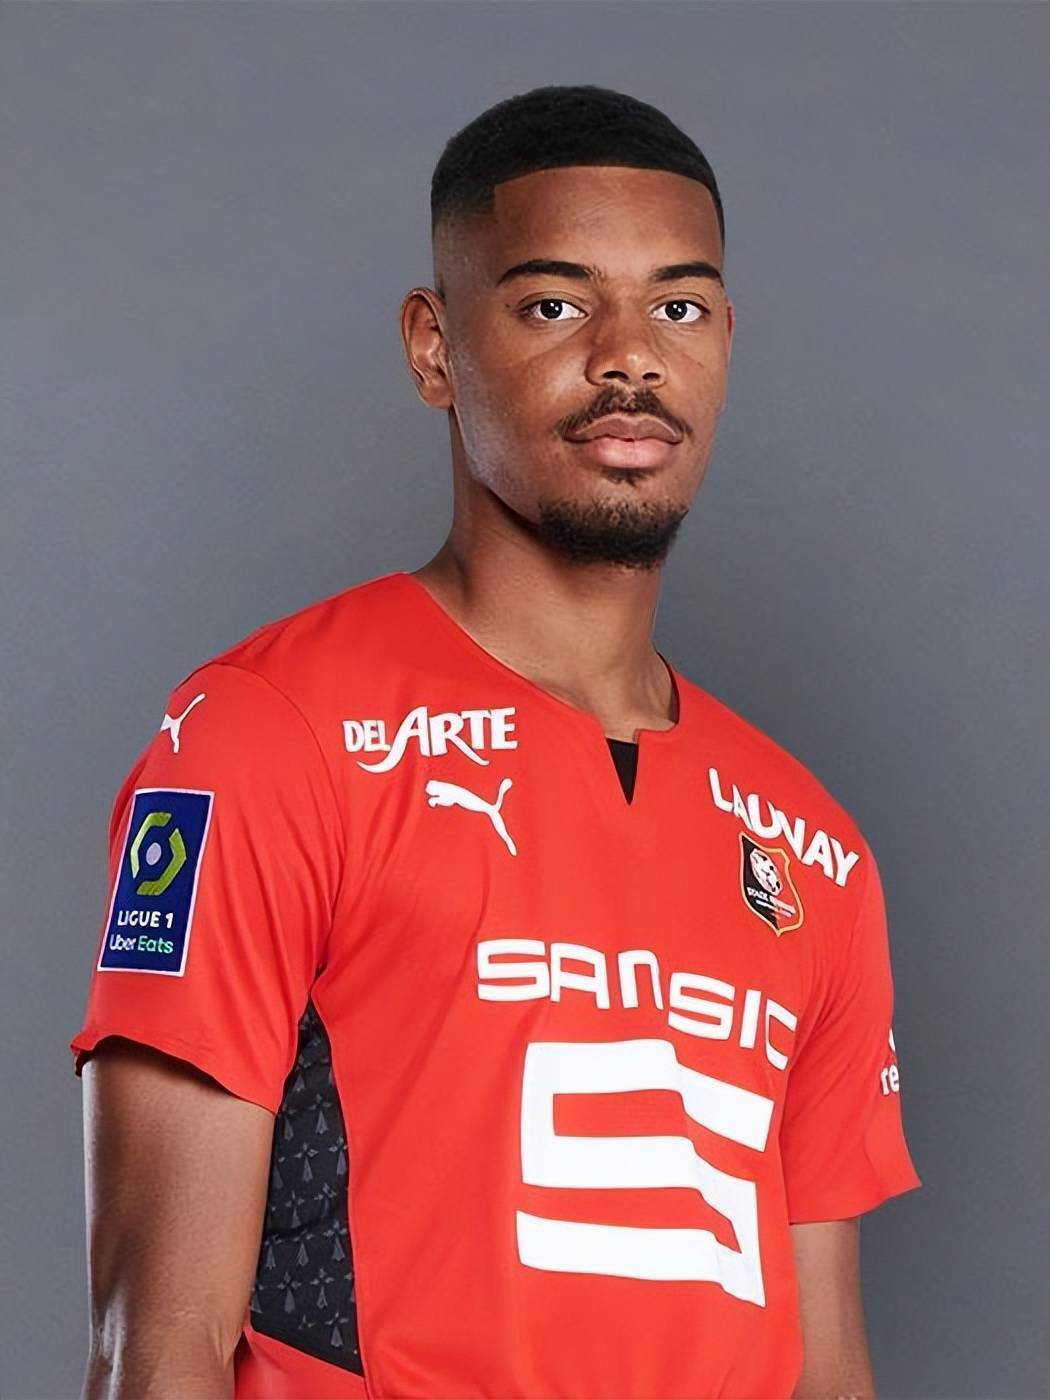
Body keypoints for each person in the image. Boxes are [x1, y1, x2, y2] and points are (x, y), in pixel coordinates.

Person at [70, 84, 922, 1400]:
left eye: (678, 309)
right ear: (434, 348)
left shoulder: (813, 847)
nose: (629, 359)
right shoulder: (265, 735)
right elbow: (156, 1342)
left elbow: (827, 1368)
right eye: (554, 305)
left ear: (724, 344)